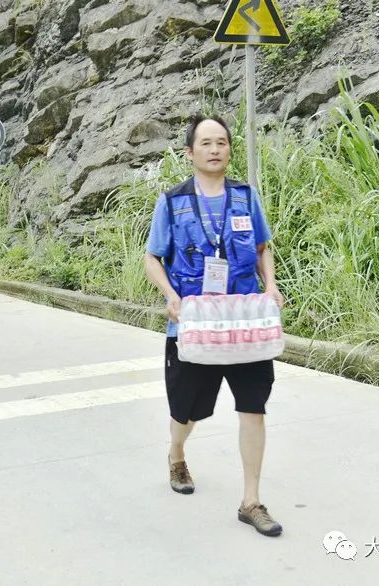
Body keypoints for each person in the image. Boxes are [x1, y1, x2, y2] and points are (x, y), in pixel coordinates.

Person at [143, 114, 286, 537]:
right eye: (205, 143)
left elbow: (262, 248)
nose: (215, 149)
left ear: (229, 149)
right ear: (190, 152)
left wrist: (272, 286)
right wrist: (171, 297)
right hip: (194, 325)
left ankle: (251, 501)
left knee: (253, 408)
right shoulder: (172, 202)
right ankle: (176, 452)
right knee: (186, 412)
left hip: (245, 323)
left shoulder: (245, 197)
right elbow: (153, 257)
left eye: (221, 142)